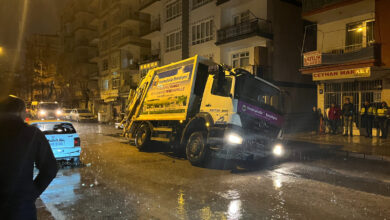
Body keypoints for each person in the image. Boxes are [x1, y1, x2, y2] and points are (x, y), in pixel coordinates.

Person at [0, 96, 58, 220]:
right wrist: (31, 194)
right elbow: (50, 168)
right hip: (20, 210)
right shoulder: (32, 134)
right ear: (22, 112)